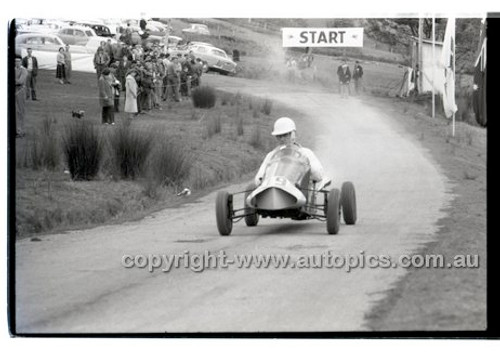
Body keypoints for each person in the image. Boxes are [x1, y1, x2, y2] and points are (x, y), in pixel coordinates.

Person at [255, 117, 324, 186]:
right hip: (274, 190)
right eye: (279, 136)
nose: (282, 139)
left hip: (299, 192)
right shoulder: (271, 155)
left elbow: (318, 176)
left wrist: (306, 164)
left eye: (285, 135)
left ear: (293, 134)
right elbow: (258, 180)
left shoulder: (306, 153)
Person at [15, 55, 28, 137]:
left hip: (20, 91)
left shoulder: (24, 70)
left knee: (20, 111)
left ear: (21, 62)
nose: (17, 63)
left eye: (18, 61)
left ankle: (21, 131)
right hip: (14, 90)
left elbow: (20, 81)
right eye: (15, 61)